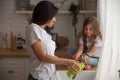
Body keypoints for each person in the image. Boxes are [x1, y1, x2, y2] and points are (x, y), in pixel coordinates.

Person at [25, 1, 80, 80]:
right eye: (53, 16)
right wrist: (67, 62)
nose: (55, 19)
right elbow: (42, 57)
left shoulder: (44, 32)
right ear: (46, 16)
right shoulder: (33, 28)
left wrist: (68, 63)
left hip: (48, 77)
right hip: (38, 78)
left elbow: (49, 56)